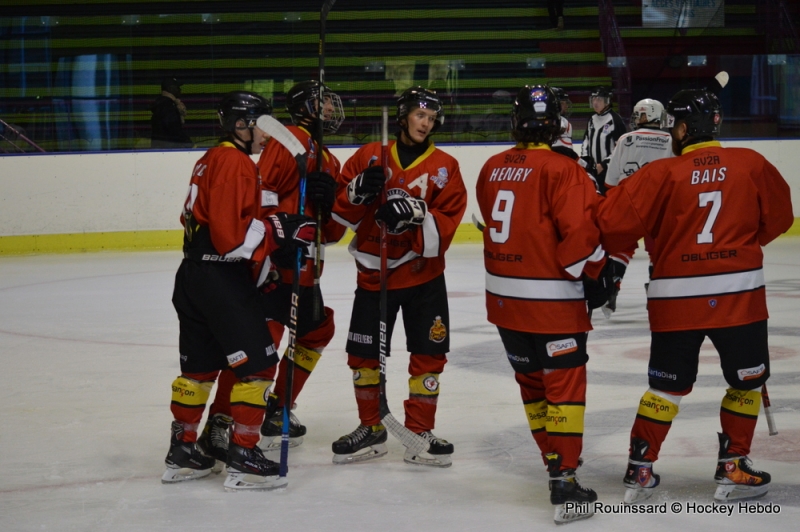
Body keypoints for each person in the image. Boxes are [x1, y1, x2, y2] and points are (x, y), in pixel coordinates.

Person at [596, 78, 794, 504]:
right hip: (739, 298)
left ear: (682, 130)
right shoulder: (752, 164)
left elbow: (612, 224)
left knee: (666, 387)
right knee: (746, 383)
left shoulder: (659, 174)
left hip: (674, 301)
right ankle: (733, 467)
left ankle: (640, 468)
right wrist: (739, 244)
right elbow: (779, 218)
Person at [163, 90, 316, 491]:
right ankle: (244, 455)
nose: (267, 136)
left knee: (198, 369)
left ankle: (183, 452)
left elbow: (194, 219)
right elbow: (232, 239)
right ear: (241, 125)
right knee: (259, 365)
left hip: (193, 274)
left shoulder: (208, 160)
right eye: (261, 126)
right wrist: (280, 231)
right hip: (221, 278)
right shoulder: (234, 162)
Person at [477, 85, 612, 524]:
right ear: (556, 122)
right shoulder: (563, 170)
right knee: (564, 390)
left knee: (533, 387)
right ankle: (565, 478)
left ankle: (554, 462)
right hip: (551, 304)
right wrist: (596, 274)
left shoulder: (491, 167)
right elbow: (581, 244)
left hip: (503, 304)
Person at [329, 87, 466, 467]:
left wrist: (417, 213)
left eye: (432, 117)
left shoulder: (445, 166)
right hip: (374, 276)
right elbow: (336, 223)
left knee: (428, 354)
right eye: (421, 115)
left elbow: (448, 224)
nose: (427, 123)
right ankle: (371, 429)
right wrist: (356, 194)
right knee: (363, 356)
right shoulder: (370, 155)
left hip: (423, 276)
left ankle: (419, 431)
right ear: (404, 115)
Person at [600, 98, 673, 316]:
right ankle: (656, 290)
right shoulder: (670, 139)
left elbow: (610, 181)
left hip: (628, 198)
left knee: (621, 247)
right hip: (658, 201)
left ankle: (612, 285)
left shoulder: (625, 138)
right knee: (659, 248)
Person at [581, 86, 627, 193]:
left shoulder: (615, 120)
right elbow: (586, 141)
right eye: (593, 99)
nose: (595, 103)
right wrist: (585, 160)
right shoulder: (592, 119)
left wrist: (604, 164)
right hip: (592, 170)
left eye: (599, 99)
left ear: (607, 101)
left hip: (609, 171)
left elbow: (621, 147)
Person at [150, 76, 193, 149]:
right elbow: (173, 128)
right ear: (170, 89)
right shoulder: (168, 106)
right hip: (168, 148)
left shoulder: (163, 104)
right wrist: (187, 142)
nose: (179, 89)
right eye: (177, 87)